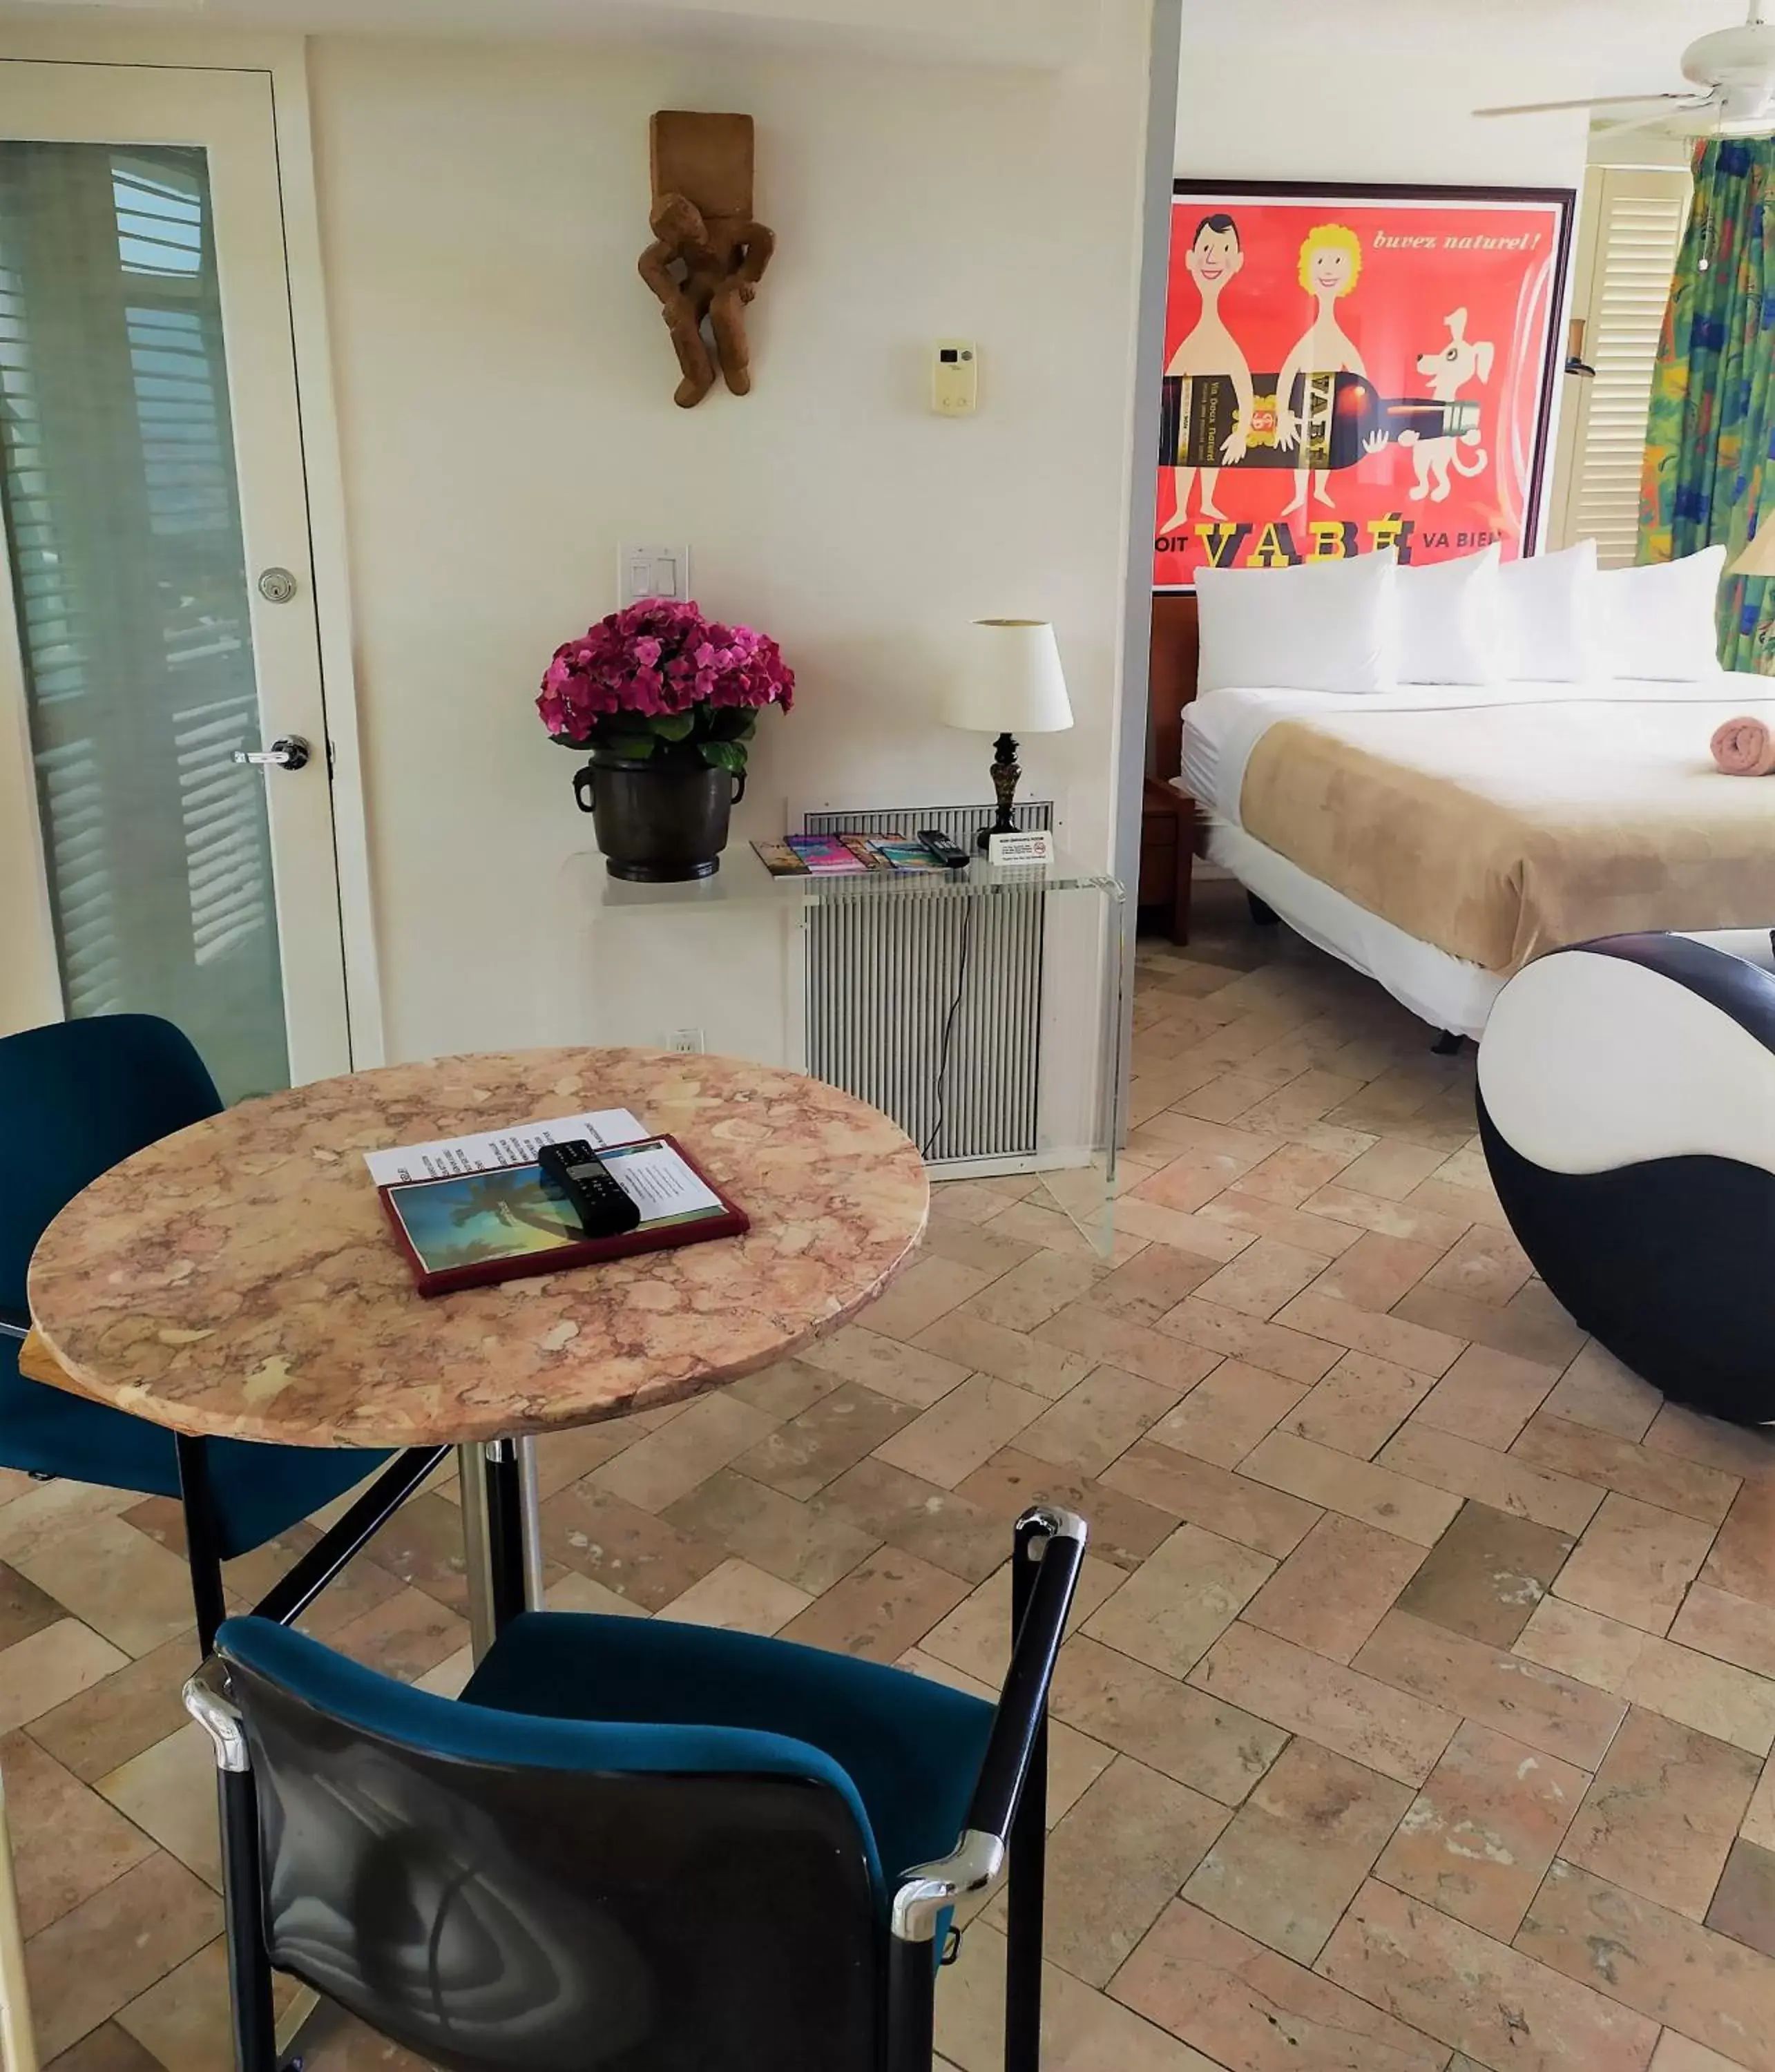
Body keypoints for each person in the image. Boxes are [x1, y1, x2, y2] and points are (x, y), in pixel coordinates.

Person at [1161, 213, 1252, 530]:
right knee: (1187, 454)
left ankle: (1207, 502)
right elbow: (1166, 384)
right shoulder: (1188, 338)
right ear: (1189, 258)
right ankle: (1182, 509)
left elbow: (1243, 384)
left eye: (1223, 250)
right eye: (1206, 249)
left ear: (1237, 261)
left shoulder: (1226, 341)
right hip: (1187, 412)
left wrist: (1241, 433)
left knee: (1211, 448)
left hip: (1215, 411)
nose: (1212, 259)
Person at [1276, 222, 1368, 517]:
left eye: (1337, 261)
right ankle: (1301, 494)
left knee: (1325, 450)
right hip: (1306, 406)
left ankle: (1319, 491)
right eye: (1320, 261)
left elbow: (1361, 380)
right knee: (1303, 450)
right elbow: (1288, 374)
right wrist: (1283, 415)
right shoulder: (1310, 338)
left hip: (1331, 409)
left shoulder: (1339, 340)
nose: (1328, 269)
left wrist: (1365, 424)